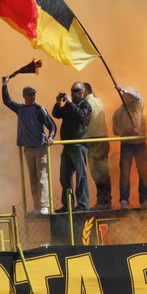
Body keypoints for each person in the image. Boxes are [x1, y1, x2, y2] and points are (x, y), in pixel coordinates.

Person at [2, 77, 56, 215]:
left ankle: (44, 206)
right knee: (33, 179)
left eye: (33, 94)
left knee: (42, 177)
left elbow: (52, 125)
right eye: (30, 94)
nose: (32, 97)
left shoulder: (39, 109)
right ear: (24, 96)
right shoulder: (20, 108)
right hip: (28, 150)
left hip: (41, 148)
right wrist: (4, 85)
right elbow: (7, 101)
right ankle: (37, 207)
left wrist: (51, 138)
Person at [52, 82, 92, 212]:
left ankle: (83, 204)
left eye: (75, 90)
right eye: (71, 91)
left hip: (79, 144)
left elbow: (81, 115)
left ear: (82, 91)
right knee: (64, 176)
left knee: (81, 176)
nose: (73, 93)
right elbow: (57, 114)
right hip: (68, 145)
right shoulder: (70, 105)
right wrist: (58, 103)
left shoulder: (85, 105)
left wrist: (69, 102)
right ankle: (68, 205)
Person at [112, 86, 147, 209]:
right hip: (126, 145)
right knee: (125, 174)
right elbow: (115, 130)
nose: (131, 98)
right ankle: (124, 200)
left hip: (141, 144)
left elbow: (138, 97)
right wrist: (127, 131)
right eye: (127, 96)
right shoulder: (118, 113)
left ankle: (145, 199)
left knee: (143, 173)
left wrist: (124, 90)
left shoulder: (138, 107)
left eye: (131, 96)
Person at [83, 82, 111, 210]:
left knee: (97, 173)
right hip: (104, 139)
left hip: (94, 141)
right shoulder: (99, 101)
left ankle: (103, 202)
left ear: (85, 91)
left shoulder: (87, 104)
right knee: (104, 171)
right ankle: (105, 201)